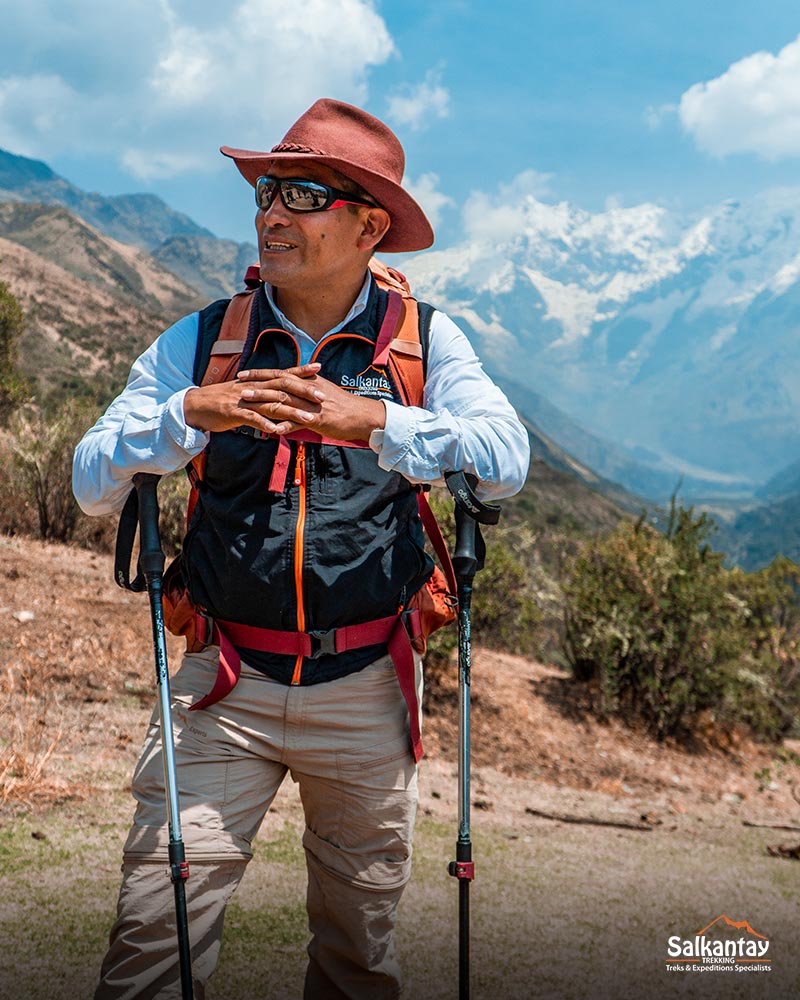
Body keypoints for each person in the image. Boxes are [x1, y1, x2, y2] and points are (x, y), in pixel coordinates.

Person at [73, 98, 530, 1000]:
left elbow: (505, 460)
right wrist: (184, 418)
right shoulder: (203, 342)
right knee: (149, 949)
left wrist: (379, 423)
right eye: (267, 191)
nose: (271, 212)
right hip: (222, 682)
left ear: (369, 228)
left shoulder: (426, 343)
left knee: (359, 959)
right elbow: (92, 479)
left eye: (302, 193)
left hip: (367, 687)